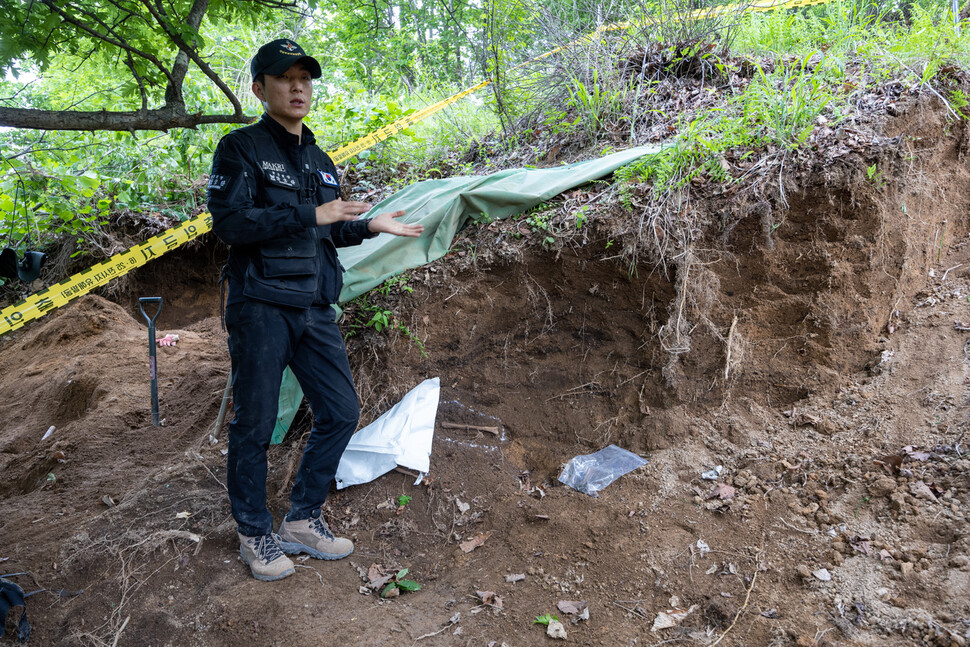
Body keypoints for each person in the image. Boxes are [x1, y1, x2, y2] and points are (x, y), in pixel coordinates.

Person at [206, 38, 424, 581]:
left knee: (341, 411)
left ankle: (302, 519)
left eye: (305, 77)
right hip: (261, 305)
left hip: (313, 306)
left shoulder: (321, 159)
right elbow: (230, 225)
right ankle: (254, 532)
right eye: (284, 77)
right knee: (254, 423)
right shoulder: (240, 149)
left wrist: (367, 225)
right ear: (260, 89)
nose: (298, 86)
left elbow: (327, 228)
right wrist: (310, 212)